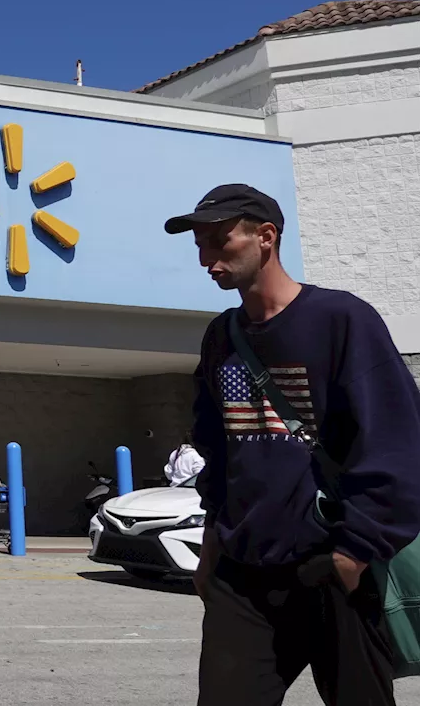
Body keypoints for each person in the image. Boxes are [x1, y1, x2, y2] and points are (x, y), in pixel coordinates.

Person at [166, 184, 421, 705]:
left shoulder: (341, 320)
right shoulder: (222, 337)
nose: (206, 258)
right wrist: (214, 538)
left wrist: (355, 551)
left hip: (333, 566)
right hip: (244, 577)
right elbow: (218, 448)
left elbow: (398, 442)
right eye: (199, 245)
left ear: (265, 237)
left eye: (219, 240)